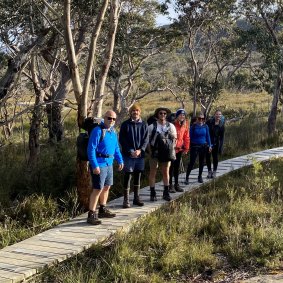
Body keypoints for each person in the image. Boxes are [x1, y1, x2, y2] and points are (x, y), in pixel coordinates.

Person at [87, 110, 124, 225]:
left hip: (109, 163)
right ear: (104, 118)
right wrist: (94, 165)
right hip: (100, 164)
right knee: (97, 189)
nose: (111, 121)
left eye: (113, 119)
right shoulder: (97, 131)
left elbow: (116, 148)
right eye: (109, 118)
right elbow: (91, 149)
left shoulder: (113, 132)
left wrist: (120, 160)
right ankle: (91, 214)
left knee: (107, 187)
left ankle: (102, 208)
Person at [119, 103, 149, 208]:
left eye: (137, 111)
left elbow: (146, 139)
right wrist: (130, 150)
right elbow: (122, 140)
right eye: (133, 111)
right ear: (130, 112)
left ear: (139, 112)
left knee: (138, 175)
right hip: (128, 155)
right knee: (128, 176)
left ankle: (136, 198)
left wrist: (140, 150)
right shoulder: (125, 124)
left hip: (140, 155)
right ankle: (126, 200)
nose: (135, 112)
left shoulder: (144, 124)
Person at [148, 107, 177, 201]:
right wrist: (150, 151)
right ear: (157, 114)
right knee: (153, 172)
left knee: (166, 172)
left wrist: (171, 149)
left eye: (165, 113)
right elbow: (147, 141)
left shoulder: (171, 126)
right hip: (155, 152)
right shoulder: (151, 126)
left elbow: (175, 139)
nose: (163, 115)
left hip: (166, 153)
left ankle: (166, 193)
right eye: (161, 113)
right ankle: (152, 193)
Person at [185, 112, 212, 184]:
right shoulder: (193, 127)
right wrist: (187, 147)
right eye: (199, 118)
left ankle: (199, 176)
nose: (201, 120)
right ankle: (187, 177)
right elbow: (189, 137)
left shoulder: (206, 126)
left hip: (203, 146)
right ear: (197, 119)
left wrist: (210, 145)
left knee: (201, 162)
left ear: (204, 119)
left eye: (202, 119)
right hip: (194, 146)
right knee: (192, 162)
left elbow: (208, 136)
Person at [169, 108, 190, 193]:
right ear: (177, 116)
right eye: (180, 115)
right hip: (172, 149)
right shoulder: (172, 124)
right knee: (171, 168)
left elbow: (186, 137)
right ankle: (170, 185)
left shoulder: (185, 125)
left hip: (180, 149)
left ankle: (176, 184)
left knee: (177, 168)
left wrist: (187, 148)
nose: (182, 116)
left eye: (183, 115)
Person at [206, 110, 225, 178]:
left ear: (221, 116)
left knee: (215, 157)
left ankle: (214, 171)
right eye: (217, 114)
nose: (218, 116)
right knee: (208, 157)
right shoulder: (209, 122)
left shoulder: (221, 125)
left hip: (216, 143)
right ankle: (209, 171)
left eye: (220, 114)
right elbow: (205, 131)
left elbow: (222, 137)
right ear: (214, 115)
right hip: (208, 143)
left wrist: (221, 146)